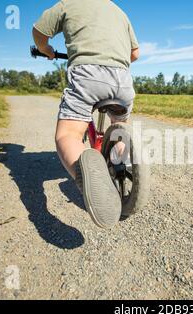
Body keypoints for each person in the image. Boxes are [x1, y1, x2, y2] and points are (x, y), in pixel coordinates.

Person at [32, 0, 140, 229]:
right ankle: (120, 158)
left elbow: (39, 31)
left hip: (87, 74)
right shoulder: (120, 12)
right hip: (122, 79)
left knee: (68, 135)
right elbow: (135, 54)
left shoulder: (68, 4)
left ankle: (88, 174)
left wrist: (47, 50)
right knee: (120, 126)